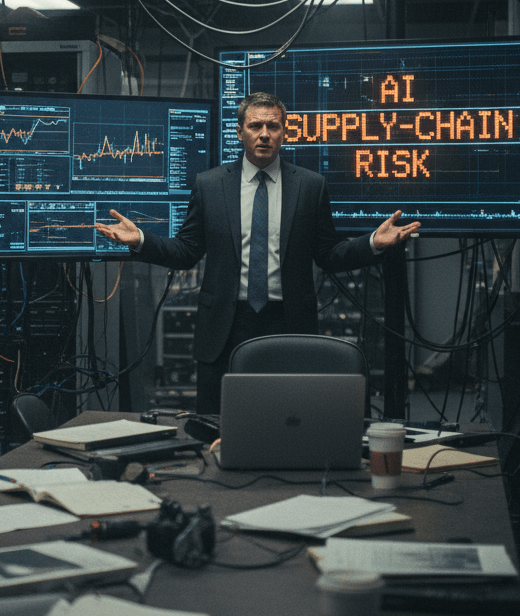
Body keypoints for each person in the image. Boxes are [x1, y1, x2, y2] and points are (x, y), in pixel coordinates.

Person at [96, 91, 420, 413]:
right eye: (255, 126)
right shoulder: (210, 185)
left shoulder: (310, 186)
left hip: (288, 321)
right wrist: (139, 238)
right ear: (240, 132)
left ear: (285, 131)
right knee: (218, 424)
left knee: (291, 420)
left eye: (273, 126)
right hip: (226, 323)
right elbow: (185, 251)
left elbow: (329, 254)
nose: (264, 134)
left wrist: (372, 243)